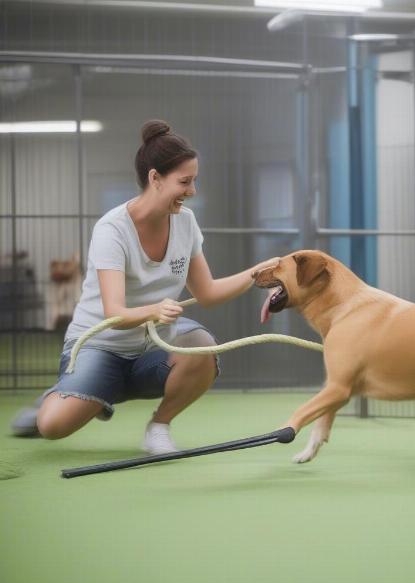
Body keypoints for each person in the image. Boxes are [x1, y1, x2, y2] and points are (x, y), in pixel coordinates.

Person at [10, 119, 278, 454]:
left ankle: (159, 426)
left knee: (203, 348)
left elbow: (207, 293)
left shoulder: (186, 222)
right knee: (52, 427)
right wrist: (154, 309)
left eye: (194, 180)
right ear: (155, 178)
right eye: (185, 181)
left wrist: (258, 273)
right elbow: (114, 313)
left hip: (153, 344)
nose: (192, 190)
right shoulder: (112, 229)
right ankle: (63, 394)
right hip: (100, 345)